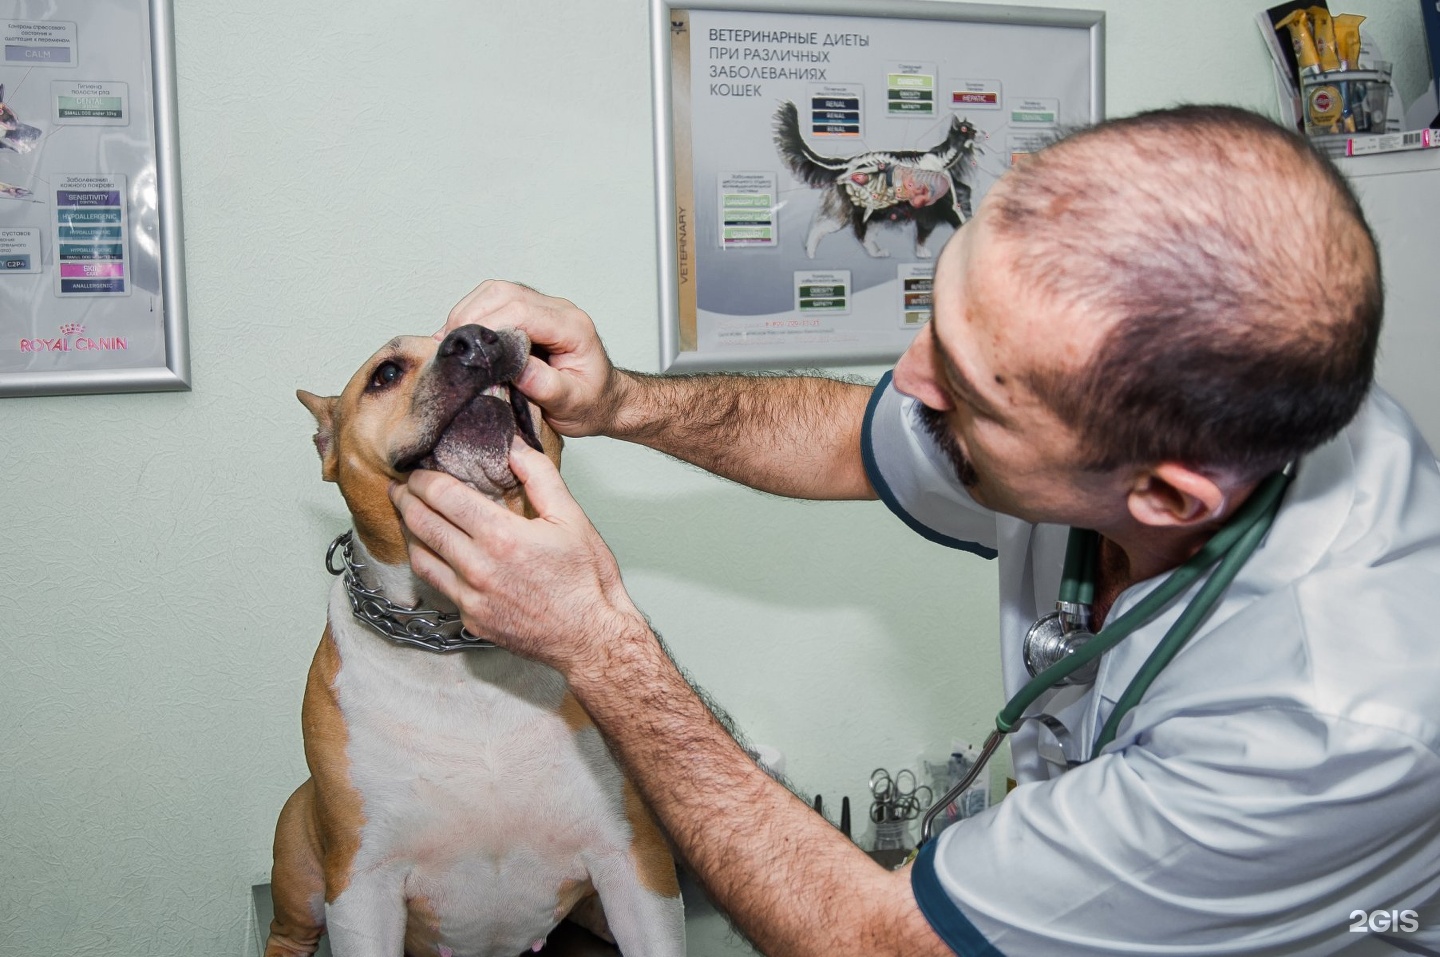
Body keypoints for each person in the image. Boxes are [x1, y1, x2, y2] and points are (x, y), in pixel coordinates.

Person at [388, 105, 1440, 956]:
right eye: (935, 315)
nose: (906, 382)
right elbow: (852, 439)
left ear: (1165, 499)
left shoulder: (1332, 718)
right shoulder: (1169, 414)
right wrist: (625, 404)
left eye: (971, 394)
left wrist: (599, 642)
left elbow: (876, 943)